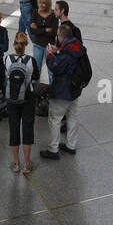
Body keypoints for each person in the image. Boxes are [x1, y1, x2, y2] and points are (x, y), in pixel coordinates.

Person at [40, 23, 85, 161]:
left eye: (58, 36)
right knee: (72, 116)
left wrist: (49, 55)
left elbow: (56, 66)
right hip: (74, 89)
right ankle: (71, 145)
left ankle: (53, 149)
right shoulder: (76, 45)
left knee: (55, 119)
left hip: (63, 91)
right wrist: (57, 50)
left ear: (62, 36)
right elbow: (67, 55)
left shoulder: (66, 52)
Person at [4, 33, 36, 174]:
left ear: (14, 44)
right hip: (27, 98)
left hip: (12, 98)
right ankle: (27, 163)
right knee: (27, 129)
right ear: (26, 45)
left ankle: (16, 163)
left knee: (14, 129)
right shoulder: (31, 61)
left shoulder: (7, 60)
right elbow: (35, 77)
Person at [28, 0, 59, 81]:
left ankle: (52, 91)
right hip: (37, 45)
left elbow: (53, 33)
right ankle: (36, 90)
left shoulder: (53, 15)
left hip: (50, 47)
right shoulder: (35, 13)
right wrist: (45, 29)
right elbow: (32, 31)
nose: (41, 5)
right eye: (40, 3)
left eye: (44, 3)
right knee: (36, 69)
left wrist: (38, 29)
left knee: (51, 70)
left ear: (48, 4)